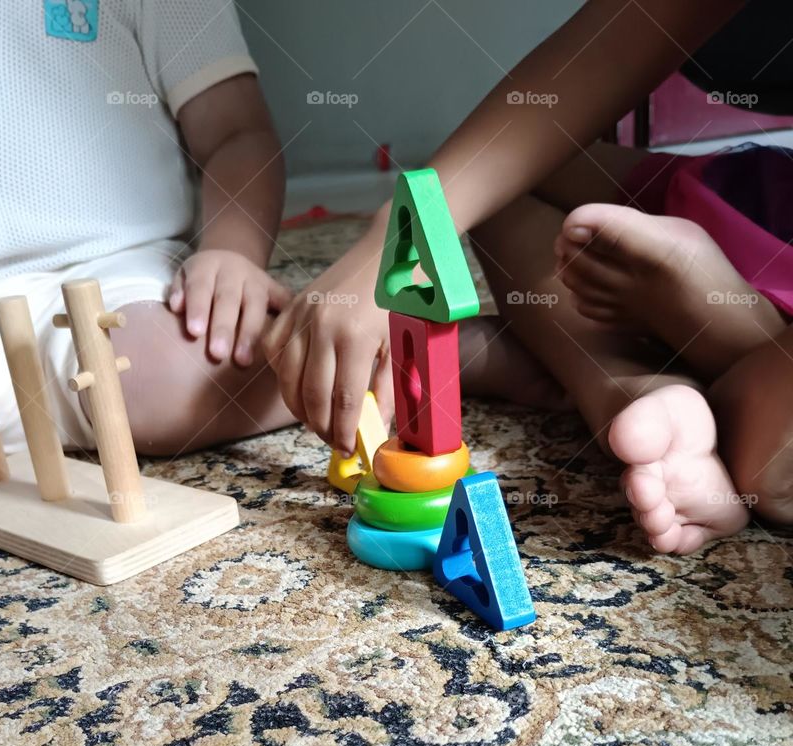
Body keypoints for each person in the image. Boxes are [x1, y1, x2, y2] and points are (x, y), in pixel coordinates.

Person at [265, 0, 793, 552]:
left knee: (771, 468)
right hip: (762, 205)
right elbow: (617, 41)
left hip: (757, 281)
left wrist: (717, 324)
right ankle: (637, 385)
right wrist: (397, 239)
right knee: (502, 179)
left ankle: (712, 327)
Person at [0, 0, 293, 490]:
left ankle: (335, 359)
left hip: (116, 287)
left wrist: (232, 253)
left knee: (200, 361)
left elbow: (234, 132)